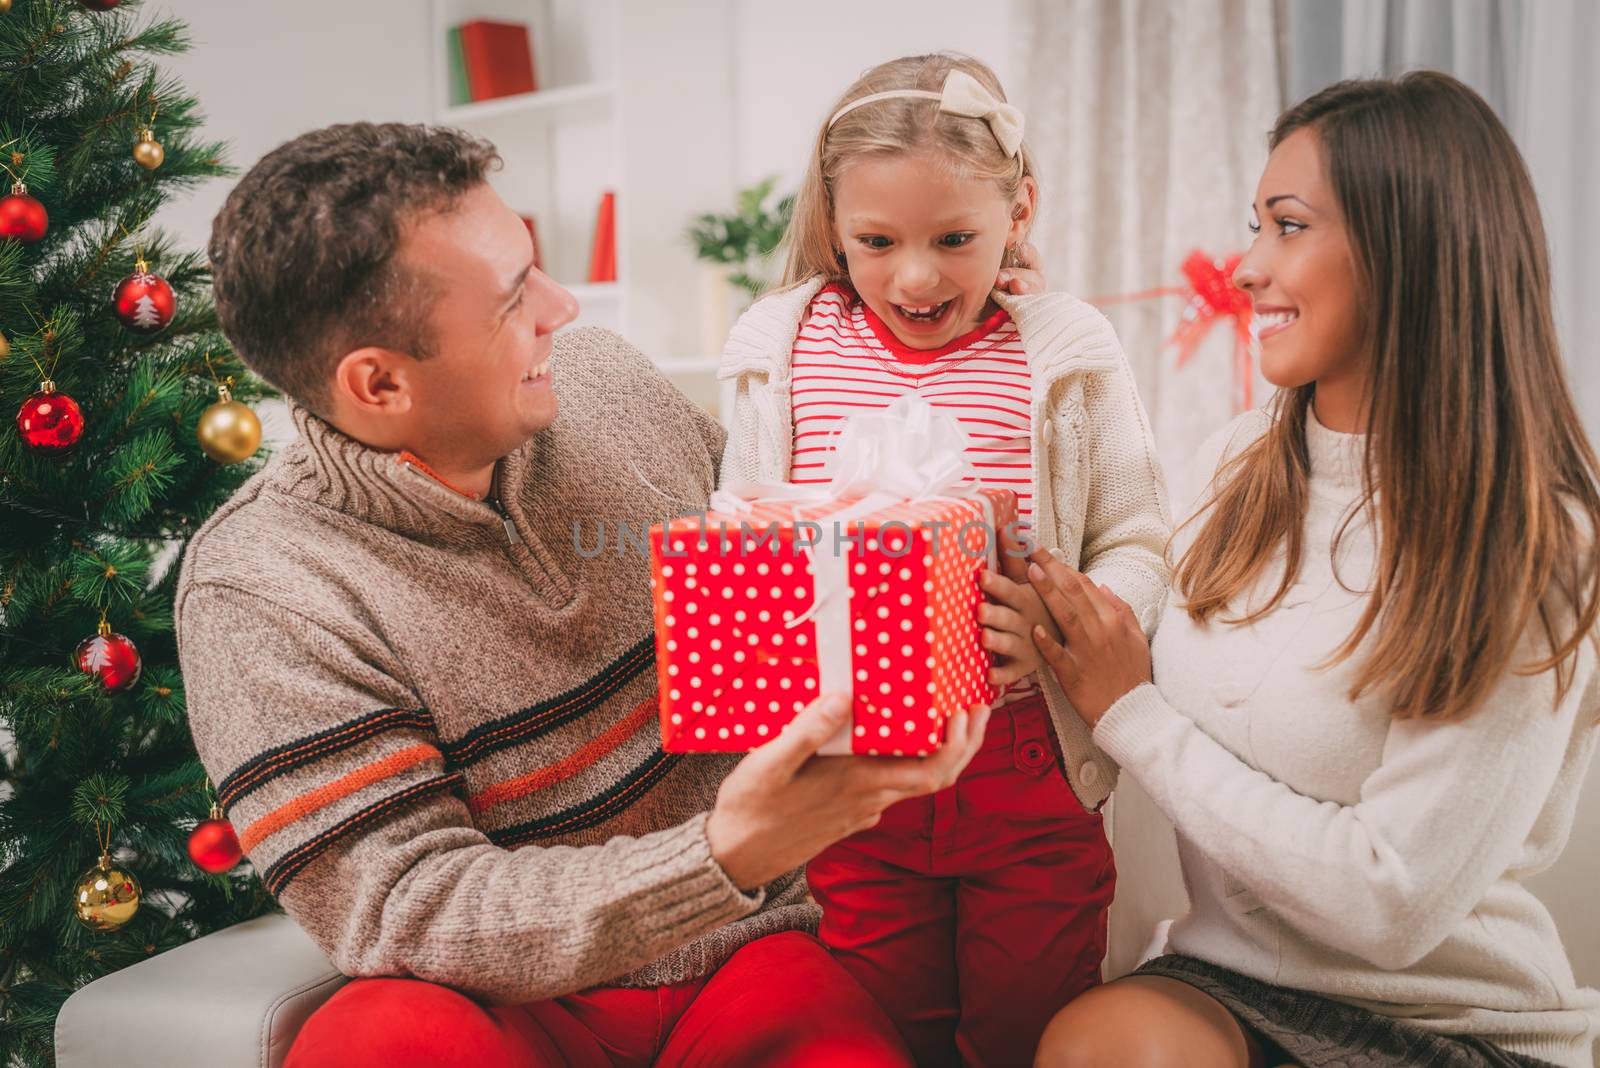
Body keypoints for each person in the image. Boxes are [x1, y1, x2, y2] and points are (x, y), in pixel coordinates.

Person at [176, 121, 997, 1068]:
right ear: (380, 383)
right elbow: (408, 907)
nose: (562, 308)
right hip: (495, 1003)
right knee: (375, 1044)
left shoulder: (604, 384)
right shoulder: (263, 591)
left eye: (538, 267)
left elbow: (808, 561)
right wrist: (722, 853)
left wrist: (946, 604)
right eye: (511, 299)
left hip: (742, 959)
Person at [1029, 71, 1600, 1068]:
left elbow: (1390, 904)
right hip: (1225, 988)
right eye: (1252, 226)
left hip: (1449, 1028)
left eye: (1286, 226)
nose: (1246, 269)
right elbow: (1099, 636)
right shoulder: (1233, 467)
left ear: (1408, 246)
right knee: (1100, 1048)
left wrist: (1136, 715)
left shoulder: (1531, 545)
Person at [718, 52, 1172, 1067]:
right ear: (832, 224)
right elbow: (750, 525)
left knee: (1028, 1038)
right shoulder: (774, 348)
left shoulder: (1063, 344)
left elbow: (1140, 535)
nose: (915, 277)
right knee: (884, 1040)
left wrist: (1069, 621)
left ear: (1019, 213)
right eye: (877, 241)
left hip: (1028, 773)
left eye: (954, 239)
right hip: (854, 782)